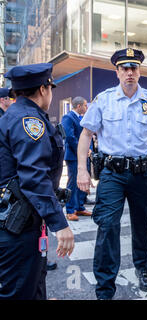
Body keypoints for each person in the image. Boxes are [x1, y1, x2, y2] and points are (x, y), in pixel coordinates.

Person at [77, 48, 147, 300]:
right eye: (124, 68)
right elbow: (86, 134)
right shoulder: (104, 99)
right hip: (112, 173)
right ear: (117, 72)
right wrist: (81, 170)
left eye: (134, 68)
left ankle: (142, 267)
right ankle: (105, 285)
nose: (129, 73)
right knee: (107, 225)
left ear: (139, 71)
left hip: (143, 174)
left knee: (142, 225)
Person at [0, 63, 74, 299]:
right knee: (21, 291)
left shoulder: (13, 115)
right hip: (18, 228)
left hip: (20, 222)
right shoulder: (28, 121)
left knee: (32, 286)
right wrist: (60, 224)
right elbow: (34, 178)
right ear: (43, 89)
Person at [61, 96, 91, 221]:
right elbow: (69, 137)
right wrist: (82, 151)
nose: (86, 107)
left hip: (84, 155)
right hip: (74, 156)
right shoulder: (68, 117)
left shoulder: (81, 118)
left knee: (83, 182)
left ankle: (79, 207)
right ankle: (70, 210)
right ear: (78, 106)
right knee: (72, 183)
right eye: (84, 105)